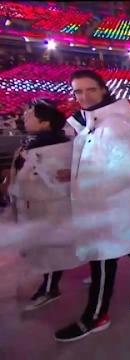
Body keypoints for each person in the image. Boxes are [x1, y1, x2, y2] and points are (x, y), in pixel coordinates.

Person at [56, 70, 130, 342]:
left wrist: (90, 184)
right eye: (78, 91)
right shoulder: (94, 123)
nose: (83, 96)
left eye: (90, 90)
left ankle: (95, 317)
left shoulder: (114, 125)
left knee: (103, 261)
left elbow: (127, 166)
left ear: (103, 90)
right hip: (109, 208)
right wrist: (74, 174)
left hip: (109, 210)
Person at [7, 99, 72, 311]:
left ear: (45, 123)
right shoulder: (32, 143)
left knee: (51, 249)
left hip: (49, 208)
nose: (24, 118)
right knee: (42, 249)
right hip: (30, 205)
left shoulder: (58, 148)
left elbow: (57, 181)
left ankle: (50, 288)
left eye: (30, 115)